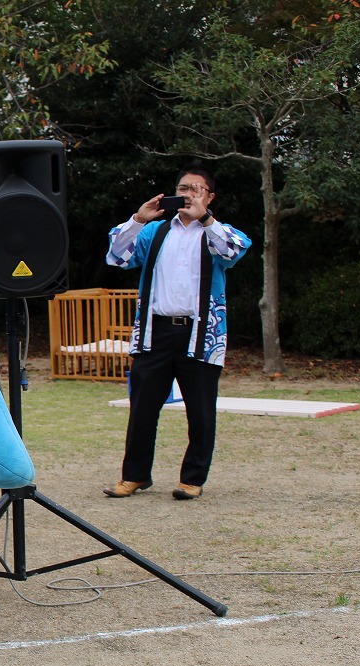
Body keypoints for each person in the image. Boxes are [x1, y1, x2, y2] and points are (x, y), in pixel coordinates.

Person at [103, 165, 250, 501]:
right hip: (155, 331)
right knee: (142, 409)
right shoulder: (155, 231)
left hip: (201, 335)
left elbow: (233, 251)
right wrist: (138, 219)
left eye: (197, 189)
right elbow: (116, 257)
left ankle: (192, 478)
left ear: (210, 196)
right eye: (183, 188)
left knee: (200, 410)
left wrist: (207, 219)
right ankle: (135, 475)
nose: (188, 194)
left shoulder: (218, 232)